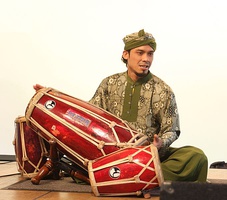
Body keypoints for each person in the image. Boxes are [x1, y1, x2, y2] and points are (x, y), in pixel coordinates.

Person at [34, 29, 208, 182]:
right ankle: (136, 177)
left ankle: (117, 176)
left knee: (195, 157)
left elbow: (172, 129)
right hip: (112, 155)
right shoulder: (109, 84)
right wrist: (51, 96)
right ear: (126, 54)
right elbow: (87, 115)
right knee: (77, 162)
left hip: (148, 156)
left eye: (150, 54)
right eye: (140, 53)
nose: (146, 59)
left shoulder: (163, 90)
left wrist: (161, 142)